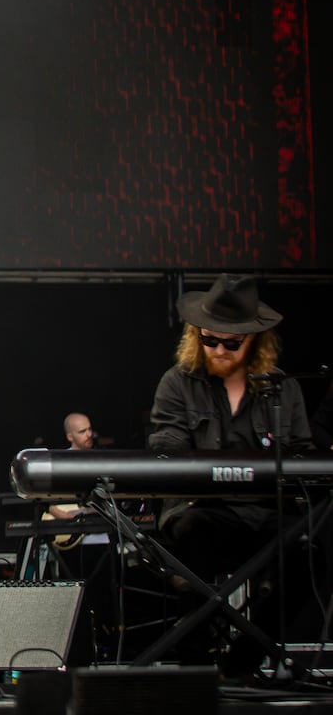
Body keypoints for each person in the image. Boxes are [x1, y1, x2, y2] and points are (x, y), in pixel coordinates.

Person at [148, 273, 314, 673]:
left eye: (230, 342)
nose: (218, 349)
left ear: (254, 340)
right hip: (203, 510)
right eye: (209, 339)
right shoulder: (177, 383)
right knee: (193, 534)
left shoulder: (282, 389)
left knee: (311, 555)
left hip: (265, 514)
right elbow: (165, 443)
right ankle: (196, 665)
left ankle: (245, 660)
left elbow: (302, 454)